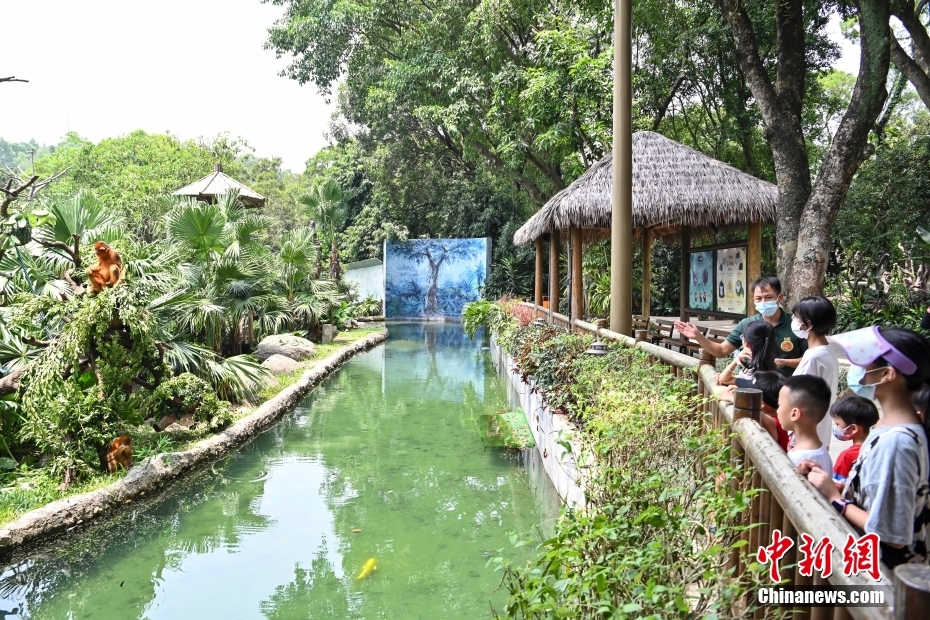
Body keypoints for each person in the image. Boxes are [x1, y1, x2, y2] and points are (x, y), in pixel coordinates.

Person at [802, 326, 930, 568]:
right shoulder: (890, 427)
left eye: (866, 362)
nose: (858, 370)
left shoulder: (896, 442)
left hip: (882, 576)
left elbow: (892, 536)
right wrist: (839, 484)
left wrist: (835, 498)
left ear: (888, 374)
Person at [675, 277, 807, 376]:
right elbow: (721, 351)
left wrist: (784, 362)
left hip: (790, 389)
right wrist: (698, 337)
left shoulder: (796, 324)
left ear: (780, 297)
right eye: (758, 298)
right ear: (753, 300)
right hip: (756, 389)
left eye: (768, 297)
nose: (763, 302)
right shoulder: (747, 324)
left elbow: (811, 359)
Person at [790, 296, 840, 449]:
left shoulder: (814, 357)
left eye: (796, 317)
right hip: (819, 435)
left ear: (809, 324)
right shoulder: (826, 352)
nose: (793, 319)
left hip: (805, 437)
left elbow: (798, 396)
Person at [776, 374, 833, 472]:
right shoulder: (822, 452)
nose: (777, 411)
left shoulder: (801, 461)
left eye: (779, 405)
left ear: (794, 414)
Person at [829, 395, 880, 488]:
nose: (835, 427)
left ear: (853, 429)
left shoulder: (847, 456)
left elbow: (835, 486)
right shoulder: (878, 450)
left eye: (837, 424)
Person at [715, 321, 778, 387]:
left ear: (747, 344)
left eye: (742, 337)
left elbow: (723, 379)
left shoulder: (755, 367)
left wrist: (736, 361)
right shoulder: (768, 364)